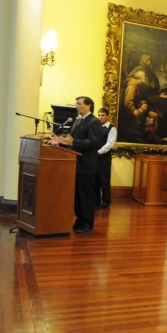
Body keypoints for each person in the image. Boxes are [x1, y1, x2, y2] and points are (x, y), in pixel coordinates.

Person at [49, 96, 102, 234]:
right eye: (76, 104)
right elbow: (71, 141)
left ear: (89, 106)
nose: (76, 106)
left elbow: (94, 142)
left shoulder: (94, 121)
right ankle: (79, 220)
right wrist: (59, 141)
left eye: (79, 104)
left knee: (86, 195)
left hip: (86, 165)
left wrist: (72, 142)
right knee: (77, 195)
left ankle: (87, 223)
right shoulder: (77, 121)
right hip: (74, 163)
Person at [95, 108, 117, 209]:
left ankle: (106, 200)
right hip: (94, 157)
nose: (100, 117)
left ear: (107, 116)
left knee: (104, 179)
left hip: (104, 157)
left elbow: (110, 144)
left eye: (103, 115)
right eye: (99, 115)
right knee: (95, 179)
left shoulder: (111, 128)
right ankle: (96, 200)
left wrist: (99, 152)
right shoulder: (96, 127)